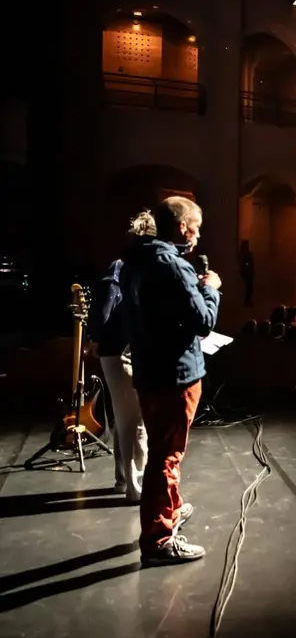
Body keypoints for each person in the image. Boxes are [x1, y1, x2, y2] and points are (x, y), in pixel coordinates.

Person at [121, 196, 221, 566]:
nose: (198, 236)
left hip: (150, 370)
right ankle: (160, 539)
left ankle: (172, 510)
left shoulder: (138, 259)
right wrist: (210, 288)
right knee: (167, 457)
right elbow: (202, 322)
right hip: (175, 375)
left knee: (165, 453)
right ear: (183, 227)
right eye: (197, 228)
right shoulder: (172, 266)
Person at [94, 210, 155, 502]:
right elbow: (105, 309)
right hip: (120, 351)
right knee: (131, 420)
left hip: (120, 350)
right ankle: (133, 485)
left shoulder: (128, 268)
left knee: (127, 419)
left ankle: (125, 480)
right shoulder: (123, 268)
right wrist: (101, 337)